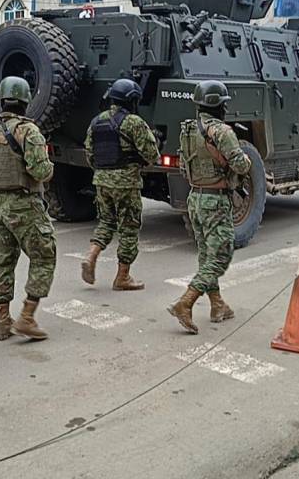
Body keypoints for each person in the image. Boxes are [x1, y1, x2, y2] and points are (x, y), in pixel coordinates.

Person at [168, 80, 251, 335]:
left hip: (195, 198)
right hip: (215, 200)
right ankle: (186, 302)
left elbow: (184, 166)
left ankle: (217, 305)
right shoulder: (222, 132)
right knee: (221, 255)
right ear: (219, 106)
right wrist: (245, 159)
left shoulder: (188, 130)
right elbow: (241, 165)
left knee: (206, 255)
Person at [0, 76, 56, 341]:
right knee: (44, 255)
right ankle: (27, 317)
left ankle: (2, 321)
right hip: (23, 203)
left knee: (2, 261)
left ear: (1, 100)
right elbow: (42, 171)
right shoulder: (28, 131)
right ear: (26, 100)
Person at [81, 79, 160, 291]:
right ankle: (122, 277)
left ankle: (91, 256)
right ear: (132, 100)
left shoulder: (96, 121)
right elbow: (152, 155)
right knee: (129, 228)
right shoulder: (134, 122)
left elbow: (89, 154)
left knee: (106, 222)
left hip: (102, 181)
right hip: (126, 183)